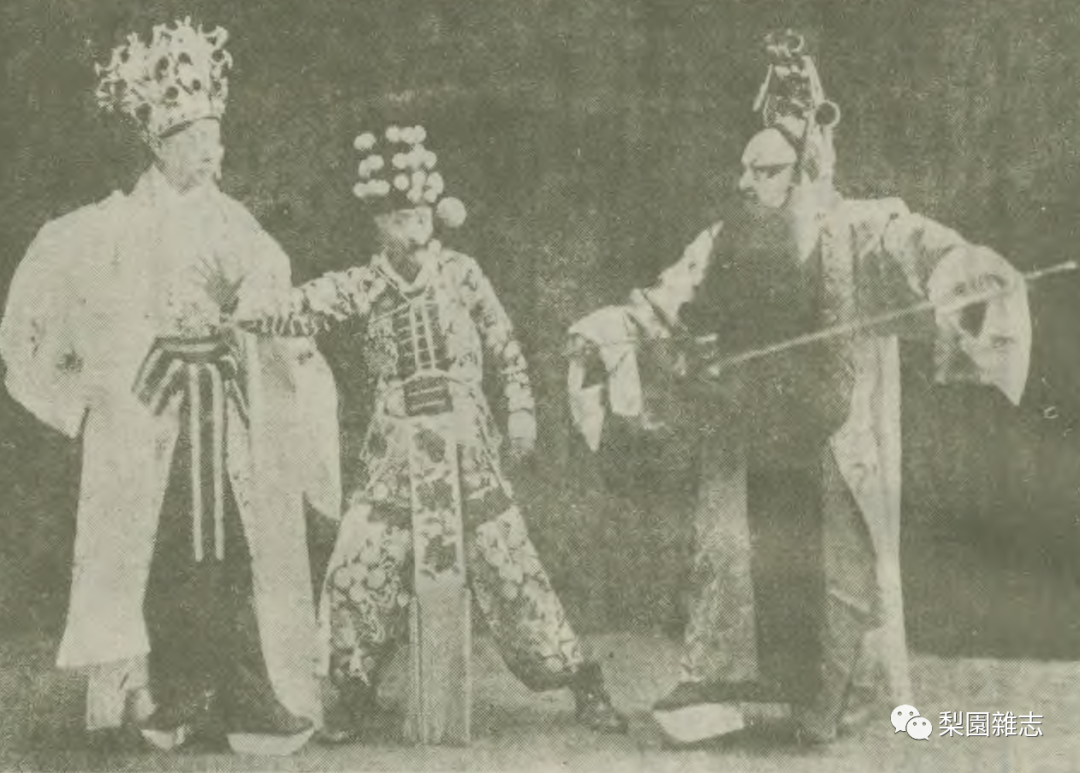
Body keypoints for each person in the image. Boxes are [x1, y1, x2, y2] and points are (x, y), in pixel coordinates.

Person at [566, 29, 1031, 746]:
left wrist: (965, 278)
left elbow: (927, 251)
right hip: (749, 434)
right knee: (739, 558)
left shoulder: (864, 229)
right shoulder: (723, 239)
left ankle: (825, 703)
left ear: (806, 168)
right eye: (745, 170)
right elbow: (663, 304)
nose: (746, 183)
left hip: (829, 442)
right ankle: (733, 693)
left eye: (765, 170)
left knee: (832, 571)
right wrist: (610, 331)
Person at [0, 17, 341, 754]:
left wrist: (258, 300)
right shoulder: (113, 225)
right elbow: (76, 302)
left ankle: (243, 686)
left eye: (216, 137)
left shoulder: (231, 219)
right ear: (160, 142)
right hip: (154, 412)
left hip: (221, 407)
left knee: (235, 547)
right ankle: (168, 690)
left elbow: (265, 273)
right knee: (163, 548)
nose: (212, 151)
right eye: (196, 139)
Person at [231, 124, 629, 742]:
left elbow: (504, 344)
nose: (414, 232)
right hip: (394, 452)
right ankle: (354, 688)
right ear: (379, 226)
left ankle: (581, 679)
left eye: (420, 217)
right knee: (360, 562)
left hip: (467, 447)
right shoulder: (366, 283)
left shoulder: (463, 274)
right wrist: (240, 313)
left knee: (509, 565)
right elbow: (305, 304)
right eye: (400, 221)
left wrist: (521, 410)